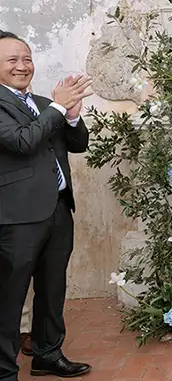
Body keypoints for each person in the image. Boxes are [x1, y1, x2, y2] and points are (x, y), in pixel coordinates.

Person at [0, 30, 93, 380]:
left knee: (53, 288)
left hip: (57, 208)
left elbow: (77, 144)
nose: (23, 66)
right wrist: (56, 108)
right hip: (17, 215)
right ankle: (5, 370)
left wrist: (70, 116)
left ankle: (47, 353)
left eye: (27, 59)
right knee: (10, 297)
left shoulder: (41, 104)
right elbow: (23, 141)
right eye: (12, 60)